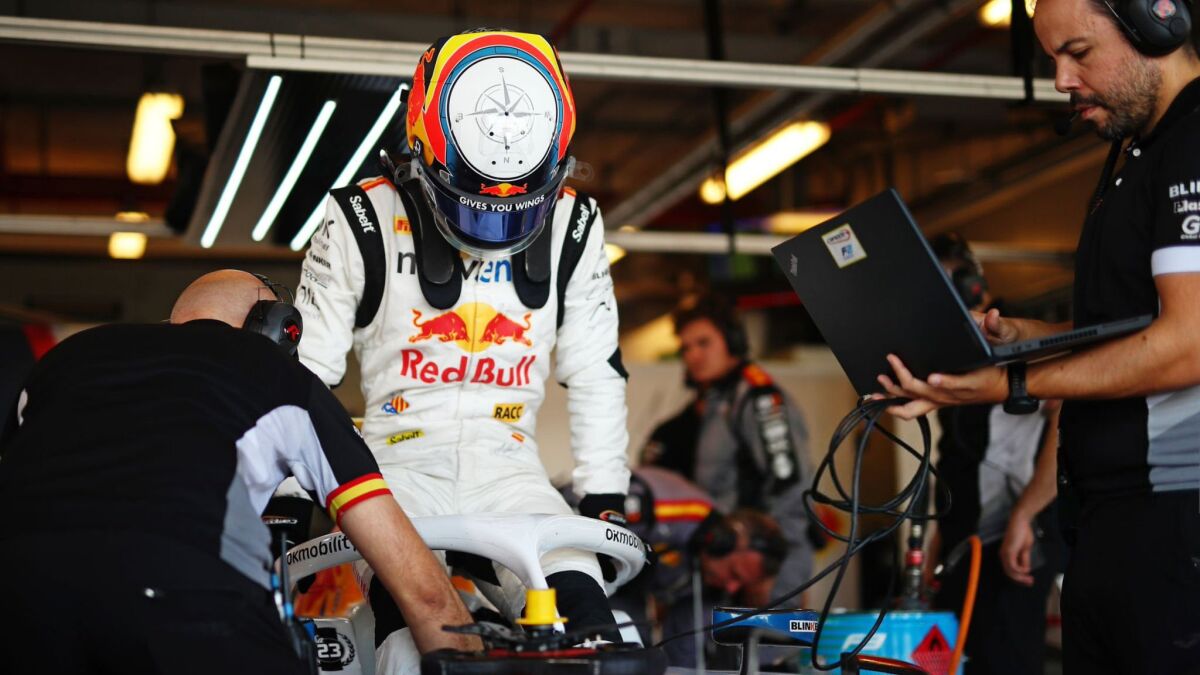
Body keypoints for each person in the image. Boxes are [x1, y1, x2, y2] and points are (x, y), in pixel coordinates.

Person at [295, 29, 630, 670]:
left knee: (595, 629)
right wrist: (288, 496)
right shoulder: (359, 216)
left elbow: (596, 370)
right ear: (421, 151)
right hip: (392, 472)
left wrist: (604, 497)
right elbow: (305, 373)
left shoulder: (575, 222)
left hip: (512, 471)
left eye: (515, 210)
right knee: (411, 642)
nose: (495, 225)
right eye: (477, 209)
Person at [880, 1, 1200, 671]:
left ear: (1156, 24)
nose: (1061, 80)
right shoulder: (1135, 153)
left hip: (1176, 514)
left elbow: (1189, 342)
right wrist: (1032, 337)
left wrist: (1012, 381)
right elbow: (1135, 327)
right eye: (1053, 58)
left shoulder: (1194, 140)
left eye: (1078, 53)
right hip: (1109, 517)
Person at [0, 270, 479, 674]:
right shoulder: (283, 378)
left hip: (19, 599)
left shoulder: (61, 362)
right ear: (276, 327)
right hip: (184, 600)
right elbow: (422, 590)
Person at [924, 234, 1064, 675]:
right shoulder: (950, 353)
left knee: (1004, 661)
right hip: (962, 542)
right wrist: (940, 537)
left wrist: (1027, 512)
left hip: (1015, 538)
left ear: (972, 286)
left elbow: (1066, 418)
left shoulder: (1018, 336)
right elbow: (956, 456)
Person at [641, 297, 814, 608]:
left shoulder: (760, 399)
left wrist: (767, 570)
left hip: (760, 565)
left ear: (732, 341)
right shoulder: (710, 405)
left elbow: (790, 490)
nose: (693, 355)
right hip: (723, 560)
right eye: (686, 348)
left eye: (704, 343)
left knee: (770, 640)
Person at [613, 466, 788, 668]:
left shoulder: (709, 583)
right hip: (594, 570)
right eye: (734, 574)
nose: (731, 587)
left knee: (635, 650)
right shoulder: (667, 507)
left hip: (628, 590)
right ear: (722, 542)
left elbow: (685, 651)